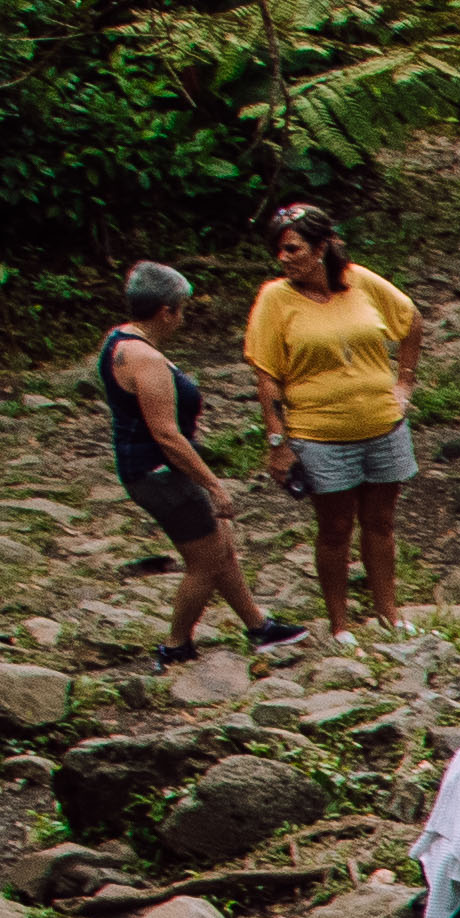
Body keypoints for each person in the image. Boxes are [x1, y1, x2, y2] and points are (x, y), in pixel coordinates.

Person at [243, 201, 429, 629]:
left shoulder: (358, 280)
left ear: (323, 246)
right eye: (280, 250)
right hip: (319, 432)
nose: (284, 259)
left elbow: (411, 320)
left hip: (383, 424)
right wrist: (277, 442)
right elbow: (267, 377)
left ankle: (388, 614)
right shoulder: (275, 298)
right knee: (335, 528)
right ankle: (340, 624)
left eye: (293, 249)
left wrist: (405, 382)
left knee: (381, 523)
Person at [97, 264, 295, 663]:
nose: (183, 320)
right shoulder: (145, 358)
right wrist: (212, 484)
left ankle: (259, 626)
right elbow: (167, 435)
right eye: (181, 311)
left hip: (150, 469)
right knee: (204, 562)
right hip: (160, 473)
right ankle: (176, 644)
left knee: (221, 549)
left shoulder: (117, 340)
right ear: (166, 311)